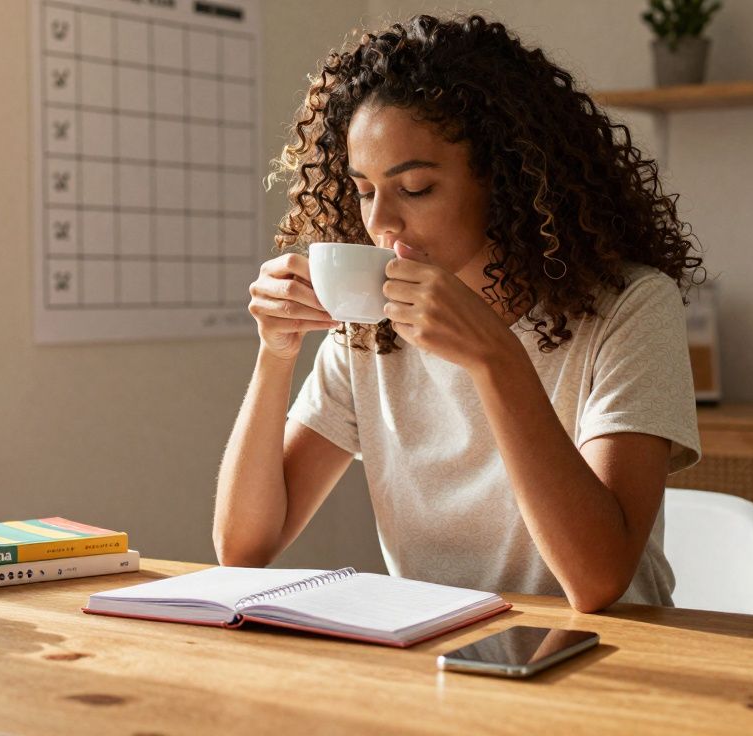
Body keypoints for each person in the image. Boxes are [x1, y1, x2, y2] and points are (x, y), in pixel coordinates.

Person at [213, 14, 703, 613]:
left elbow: (598, 581)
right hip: (435, 655)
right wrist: (276, 354)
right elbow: (242, 548)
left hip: (605, 659)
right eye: (365, 191)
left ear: (507, 179)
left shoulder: (629, 307)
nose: (382, 223)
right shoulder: (372, 329)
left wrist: (496, 357)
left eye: (415, 187)